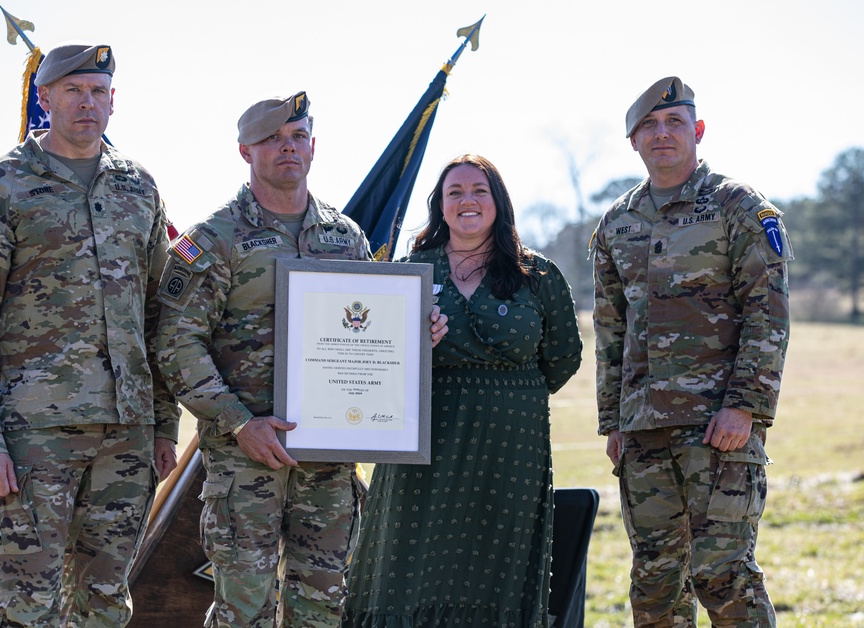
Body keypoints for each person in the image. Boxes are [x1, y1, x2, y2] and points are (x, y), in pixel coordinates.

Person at [155, 91, 447, 627]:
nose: (287, 148)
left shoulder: (345, 237)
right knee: (244, 610)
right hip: (248, 459)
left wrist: (413, 336)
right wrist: (241, 423)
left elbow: (372, 333)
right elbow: (177, 344)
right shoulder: (214, 239)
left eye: (297, 137)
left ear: (314, 146)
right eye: (272, 139)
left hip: (329, 463)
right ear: (245, 151)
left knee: (322, 610)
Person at [0, 42, 179, 627]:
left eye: (98, 92)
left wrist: (164, 423)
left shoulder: (138, 188)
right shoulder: (3, 184)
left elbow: (160, 317)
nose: (87, 104)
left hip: (127, 434)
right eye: (73, 91)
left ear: (113, 101)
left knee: (104, 605)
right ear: (45, 99)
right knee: (24, 609)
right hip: (32, 436)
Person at [342, 154, 584, 627]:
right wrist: (416, 352)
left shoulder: (539, 275)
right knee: (410, 568)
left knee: (496, 570)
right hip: (422, 448)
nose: (467, 200)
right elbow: (373, 363)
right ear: (440, 205)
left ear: (498, 202)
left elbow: (564, 357)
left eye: (479, 190)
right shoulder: (409, 272)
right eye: (455, 192)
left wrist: (508, 394)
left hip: (510, 449)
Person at [590, 76, 793, 626]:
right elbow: (610, 330)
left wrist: (746, 405)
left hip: (717, 426)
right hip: (643, 430)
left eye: (674, 122)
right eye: (649, 126)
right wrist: (614, 423)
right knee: (655, 579)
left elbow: (767, 313)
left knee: (723, 575)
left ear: (698, 130)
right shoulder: (616, 225)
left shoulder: (739, 207)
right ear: (633, 141)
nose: (662, 134)